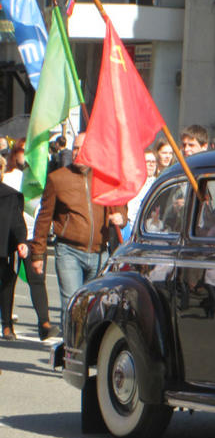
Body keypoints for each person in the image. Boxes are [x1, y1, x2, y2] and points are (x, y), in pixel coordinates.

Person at [30, 133, 126, 331]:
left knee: (93, 306)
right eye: (74, 148)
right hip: (69, 251)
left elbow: (120, 204)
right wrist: (38, 253)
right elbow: (44, 218)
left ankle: (86, 349)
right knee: (72, 303)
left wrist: (121, 217)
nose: (77, 153)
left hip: (100, 252)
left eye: (82, 148)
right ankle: (69, 351)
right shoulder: (58, 179)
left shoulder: (105, 179)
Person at [0, 172, 27, 340]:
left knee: (7, 282)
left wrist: (21, 241)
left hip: (2, 249)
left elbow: (17, 222)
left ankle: (7, 325)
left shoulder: (9, 195)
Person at [123, 148, 159, 240]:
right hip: (129, 228)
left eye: (153, 162)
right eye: (148, 161)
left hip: (147, 230)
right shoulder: (131, 183)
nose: (151, 164)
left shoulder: (157, 184)